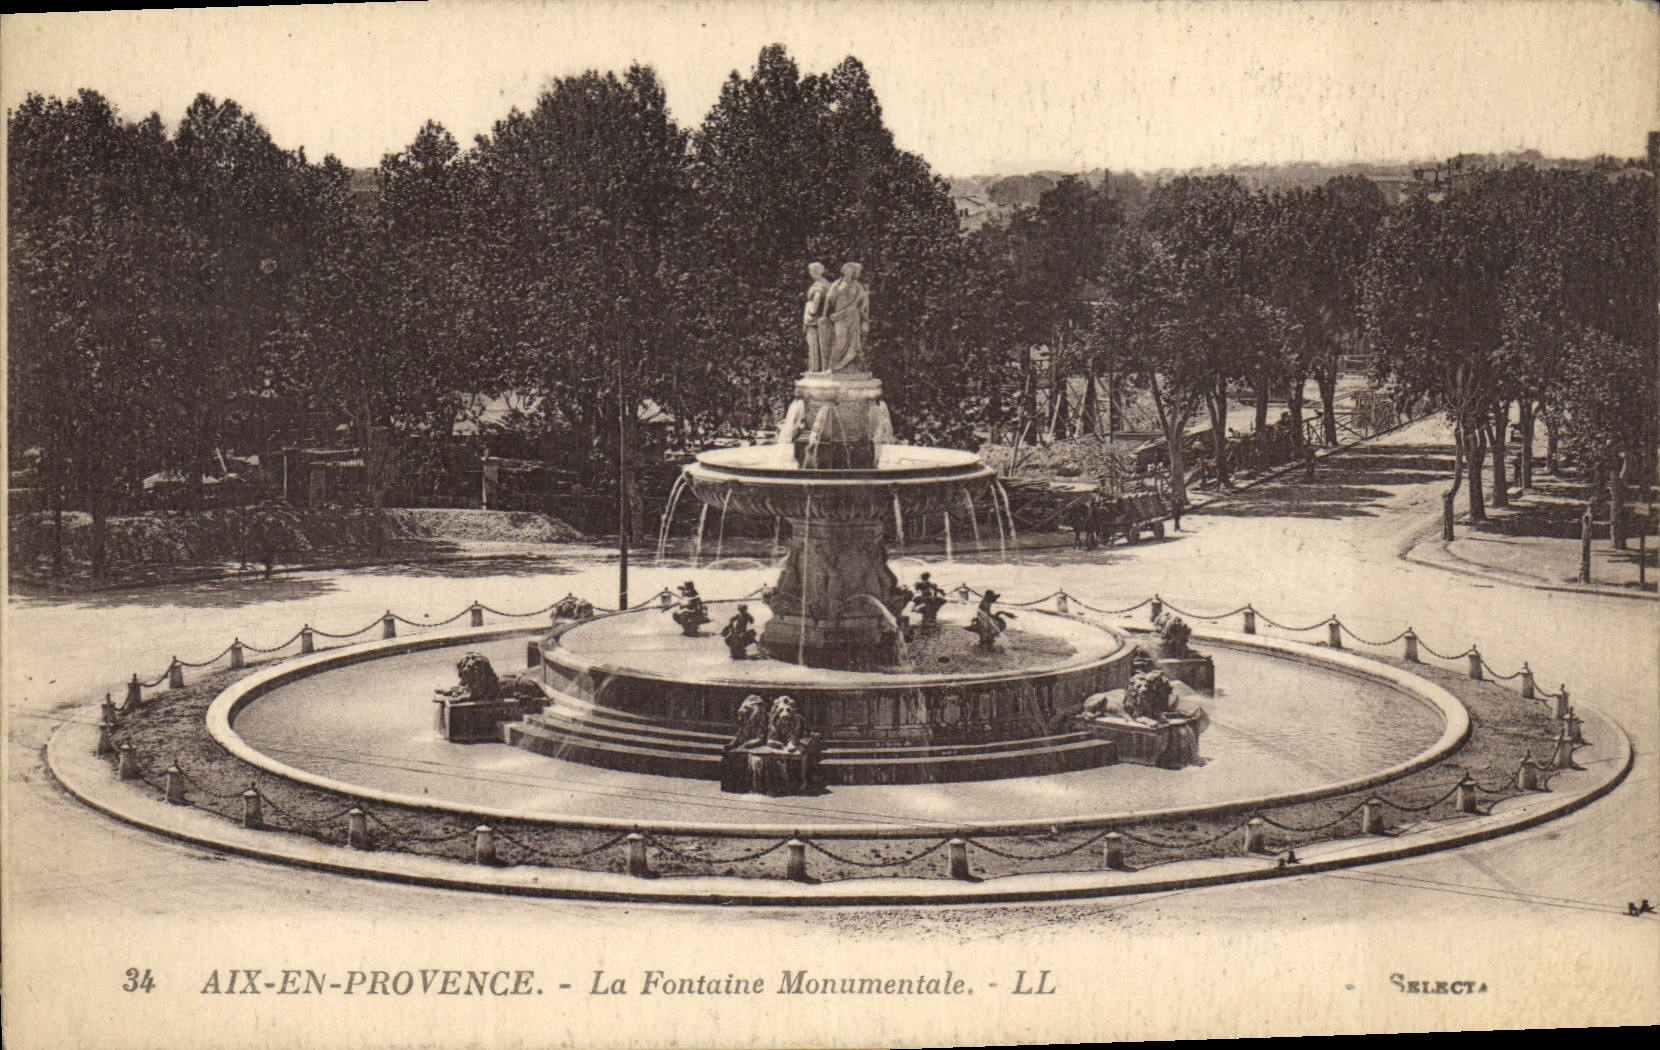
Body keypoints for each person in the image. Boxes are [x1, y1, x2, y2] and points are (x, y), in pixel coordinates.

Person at [825, 262, 870, 373]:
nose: (850, 272)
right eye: (848, 270)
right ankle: (831, 366)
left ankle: (845, 365)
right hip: (839, 316)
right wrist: (825, 314)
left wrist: (865, 318)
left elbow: (864, 302)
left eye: (852, 270)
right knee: (840, 340)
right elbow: (828, 300)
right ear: (843, 271)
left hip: (853, 316)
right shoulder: (837, 284)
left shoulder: (857, 286)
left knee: (853, 343)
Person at [802, 262, 833, 372]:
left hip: (814, 318)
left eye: (811, 271)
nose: (810, 273)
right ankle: (823, 368)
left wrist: (812, 310)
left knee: (813, 343)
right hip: (824, 318)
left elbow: (818, 297)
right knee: (824, 343)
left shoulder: (819, 285)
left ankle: (814, 368)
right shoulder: (828, 284)